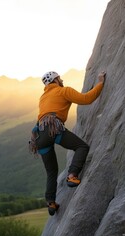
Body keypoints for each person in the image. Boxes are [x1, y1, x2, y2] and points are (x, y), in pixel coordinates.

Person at [29, 70, 106, 216]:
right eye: (59, 78)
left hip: (39, 136)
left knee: (51, 172)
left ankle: (51, 202)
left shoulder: (43, 97)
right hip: (53, 128)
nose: (61, 80)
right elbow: (87, 99)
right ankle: (72, 175)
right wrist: (101, 83)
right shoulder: (63, 91)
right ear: (56, 80)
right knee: (81, 147)